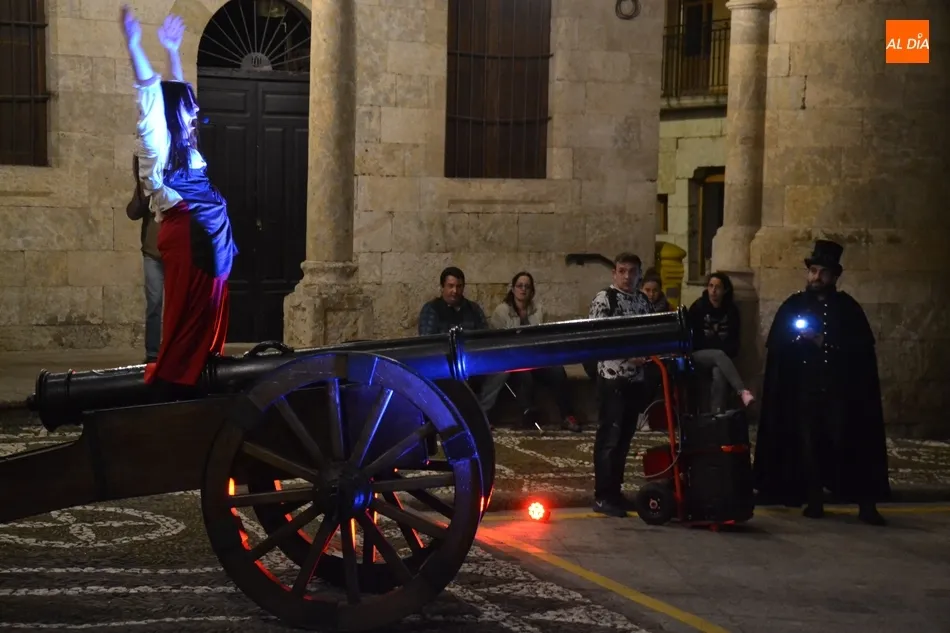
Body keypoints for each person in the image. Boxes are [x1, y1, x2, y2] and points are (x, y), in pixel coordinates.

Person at [120, 7, 237, 389]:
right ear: (173, 114)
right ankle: (176, 375)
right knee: (188, 309)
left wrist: (173, 51)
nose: (196, 109)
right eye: (190, 107)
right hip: (189, 235)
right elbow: (152, 94)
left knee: (208, 305)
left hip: (209, 235)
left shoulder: (187, 146)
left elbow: (176, 91)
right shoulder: (158, 143)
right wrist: (135, 45)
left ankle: (203, 363)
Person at [752, 239, 889, 526]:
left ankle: (865, 503)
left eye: (823, 272)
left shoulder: (848, 309)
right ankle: (813, 499)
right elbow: (777, 348)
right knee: (808, 445)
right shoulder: (793, 306)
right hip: (804, 391)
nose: (816, 277)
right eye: (813, 271)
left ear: (834, 276)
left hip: (842, 392)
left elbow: (860, 350)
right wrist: (795, 340)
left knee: (851, 444)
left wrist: (825, 341)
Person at [588, 253, 655, 517]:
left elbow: (649, 331)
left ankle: (615, 492)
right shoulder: (605, 299)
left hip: (635, 379)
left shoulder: (642, 301)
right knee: (609, 438)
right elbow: (598, 337)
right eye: (622, 271)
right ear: (614, 273)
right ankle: (603, 495)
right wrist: (628, 355)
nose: (627, 277)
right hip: (612, 378)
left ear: (639, 274)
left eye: (632, 272)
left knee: (624, 438)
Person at [481, 272, 581, 432]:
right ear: (513, 289)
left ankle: (567, 415)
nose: (523, 289)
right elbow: (498, 341)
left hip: (536, 357)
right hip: (512, 359)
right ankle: (527, 414)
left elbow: (546, 336)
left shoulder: (539, 311)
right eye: (520, 286)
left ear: (532, 290)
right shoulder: (502, 312)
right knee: (523, 374)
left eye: (527, 287)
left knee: (557, 371)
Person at [687, 272, 754, 411]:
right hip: (698, 355)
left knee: (719, 371)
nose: (713, 291)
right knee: (718, 355)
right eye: (710, 286)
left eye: (717, 287)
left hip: (722, 358)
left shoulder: (731, 311)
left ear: (725, 290)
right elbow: (692, 337)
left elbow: (734, 341)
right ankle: (742, 391)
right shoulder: (698, 307)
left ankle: (716, 414)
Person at [126, 155, 164, 363]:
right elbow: (133, 212)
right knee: (154, 304)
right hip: (152, 253)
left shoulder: (177, 181)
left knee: (177, 305)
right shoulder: (148, 184)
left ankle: (174, 351)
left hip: (175, 253)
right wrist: (142, 191)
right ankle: (153, 354)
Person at [417, 266, 488, 336]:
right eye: (450, 286)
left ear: (463, 287)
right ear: (442, 287)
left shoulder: (473, 309)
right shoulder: (431, 309)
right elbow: (427, 339)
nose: (455, 291)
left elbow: (484, 337)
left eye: (459, 286)